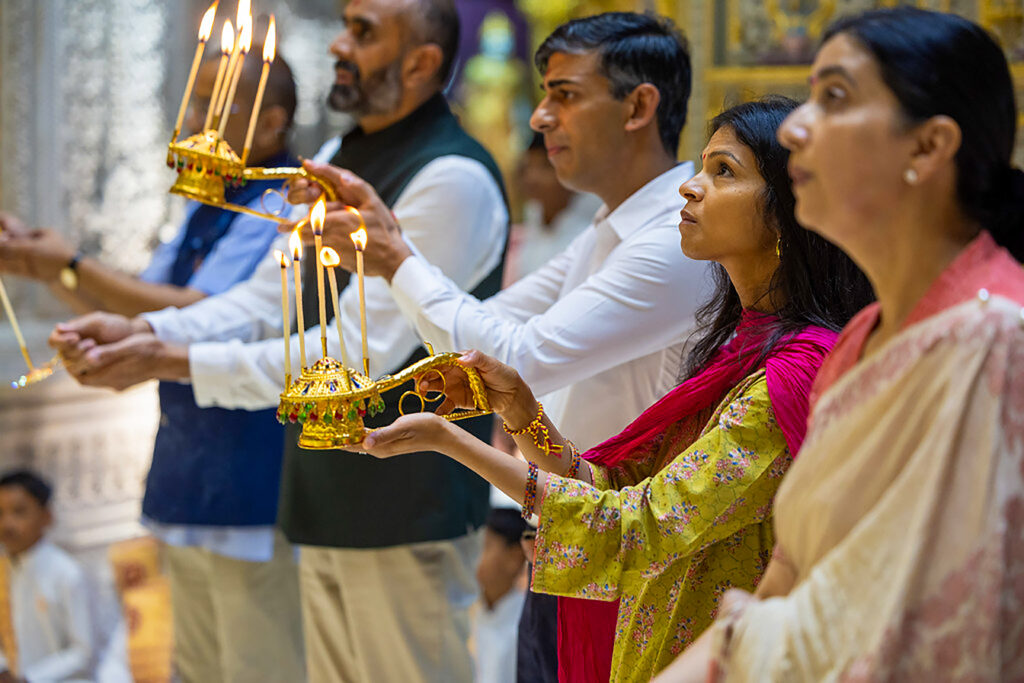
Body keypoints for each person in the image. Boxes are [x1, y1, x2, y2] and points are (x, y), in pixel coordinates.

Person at [57, 12, 708, 683]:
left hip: (463, 513)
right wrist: (152, 332)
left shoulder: (657, 233)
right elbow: (277, 298)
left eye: (563, 95)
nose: (540, 118)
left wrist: (394, 256)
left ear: (639, 105)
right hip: (513, 520)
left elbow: (512, 356)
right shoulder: (351, 156)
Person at [52, 1, 508, 680]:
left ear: (421, 62)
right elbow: (267, 299)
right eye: (345, 26)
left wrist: (166, 357)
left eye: (364, 33)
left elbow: (357, 352)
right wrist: (146, 328)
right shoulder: (335, 155)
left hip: (409, 507)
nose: (337, 46)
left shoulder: (452, 176)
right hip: (316, 494)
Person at [350, 97, 874, 683]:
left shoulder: (793, 375)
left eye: (723, 172)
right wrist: (520, 411)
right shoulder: (738, 348)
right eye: (700, 167)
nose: (690, 189)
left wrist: (452, 441)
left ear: (787, 210)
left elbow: (639, 527)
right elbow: (608, 487)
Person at [655, 8, 1024, 682]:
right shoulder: (860, 339)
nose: (796, 128)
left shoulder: (992, 339)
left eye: (835, 98)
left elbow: (920, 622)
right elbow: (793, 568)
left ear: (928, 147)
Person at [1, 53, 306, 683]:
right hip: (186, 467)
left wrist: (75, 264)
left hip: (252, 473)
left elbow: (208, 313)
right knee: (194, 666)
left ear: (273, 123)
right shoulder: (208, 202)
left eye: (215, 107)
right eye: (193, 104)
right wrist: (49, 269)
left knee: (258, 664)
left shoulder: (287, 202)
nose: (195, 123)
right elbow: (143, 314)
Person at [0, 470, 98, 683]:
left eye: (19, 512)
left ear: (46, 516)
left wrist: (30, 678)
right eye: (0, 513)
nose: (7, 524)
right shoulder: (3, 571)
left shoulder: (67, 574)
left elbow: (84, 653)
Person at [504, 133, 600, 284]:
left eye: (545, 167)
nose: (532, 177)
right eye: (528, 166)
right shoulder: (530, 226)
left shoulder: (589, 231)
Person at [473, 508, 530, 683]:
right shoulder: (466, 613)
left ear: (514, 557)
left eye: (485, 546)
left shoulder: (527, 625)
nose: (475, 556)